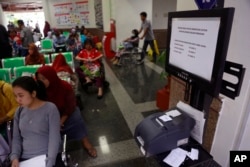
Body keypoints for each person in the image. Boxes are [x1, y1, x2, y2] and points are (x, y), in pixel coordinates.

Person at [36, 66, 97, 158]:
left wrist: (60, 122)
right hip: (49, 117)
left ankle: (85, 141)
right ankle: (53, 151)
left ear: (51, 77)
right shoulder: (38, 91)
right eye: (39, 79)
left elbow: (70, 107)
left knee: (77, 119)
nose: (41, 81)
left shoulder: (65, 87)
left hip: (65, 114)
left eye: (44, 79)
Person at [10, 76, 61, 167]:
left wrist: (50, 161)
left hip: (47, 156)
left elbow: (54, 138)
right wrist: (14, 157)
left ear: (33, 93)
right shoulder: (19, 111)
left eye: (21, 95)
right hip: (26, 159)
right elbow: (16, 138)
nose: (18, 99)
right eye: (15, 96)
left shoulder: (50, 109)